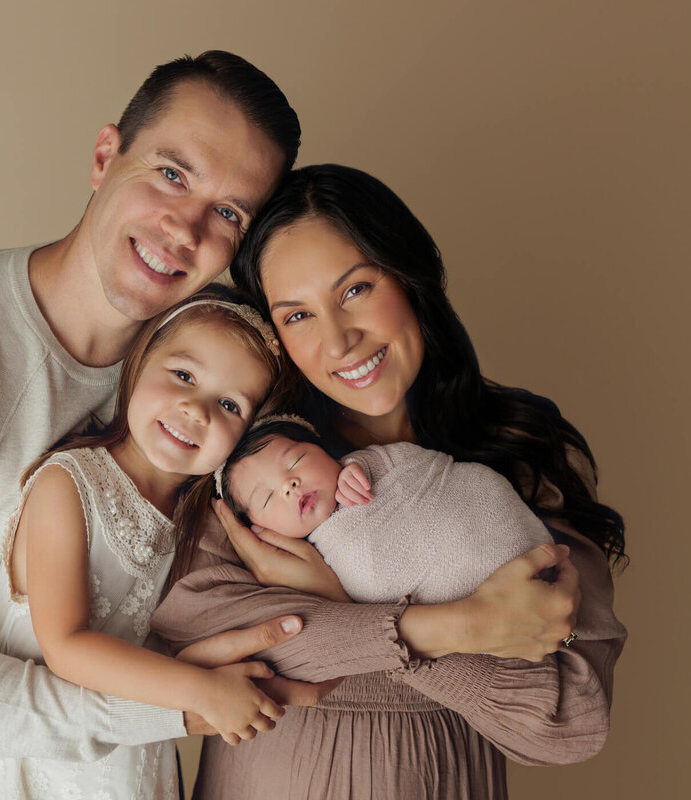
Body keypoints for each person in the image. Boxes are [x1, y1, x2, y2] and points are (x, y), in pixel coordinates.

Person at [0, 51, 315, 799]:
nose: (185, 228)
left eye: (229, 212)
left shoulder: (209, 384)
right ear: (106, 155)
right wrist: (176, 706)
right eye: (172, 174)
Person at [151, 164, 629, 799]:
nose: (340, 341)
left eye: (355, 290)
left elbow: (569, 720)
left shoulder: (523, 458)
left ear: (410, 277)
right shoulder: (247, 468)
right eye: (297, 316)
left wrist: (336, 605)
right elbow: (202, 648)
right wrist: (465, 627)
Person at [0, 289, 284, 798]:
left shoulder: (196, 522)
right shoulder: (68, 485)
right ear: (138, 362)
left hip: (136, 760)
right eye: (183, 375)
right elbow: (66, 646)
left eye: (228, 404)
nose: (196, 410)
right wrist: (204, 693)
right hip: (48, 762)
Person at [211, 416, 552, 606]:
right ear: (260, 530)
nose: (289, 485)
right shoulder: (301, 566)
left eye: (296, 461)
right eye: (268, 498)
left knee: (570, 631)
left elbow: (406, 462)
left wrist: (359, 465)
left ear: (322, 448)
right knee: (557, 630)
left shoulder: (367, 465)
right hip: (479, 611)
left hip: (501, 531)